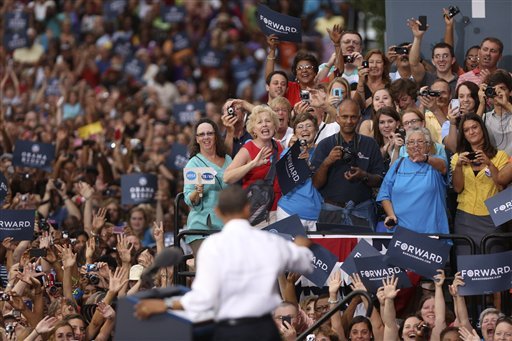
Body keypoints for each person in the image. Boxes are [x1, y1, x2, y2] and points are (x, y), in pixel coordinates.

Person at [134, 185, 314, 341]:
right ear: (247, 209)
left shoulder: (212, 246)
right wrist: (301, 247)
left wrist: (165, 305)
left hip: (230, 331)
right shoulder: (269, 241)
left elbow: (203, 298)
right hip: (265, 329)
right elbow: (306, 263)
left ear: (218, 212)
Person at [311, 99, 385, 228]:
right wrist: (327, 162)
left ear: (360, 118)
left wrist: (364, 175)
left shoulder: (370, 144)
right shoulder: (325, 144)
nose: (349, 121)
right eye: (345, 117)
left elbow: (379, 180)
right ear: (337, 118)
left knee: (363, 249)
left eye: (353, 117)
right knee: (330, 249)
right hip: (331, 211)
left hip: (362, 211)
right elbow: (316, 184)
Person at [451, 114, 509, 254]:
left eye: (474, 127)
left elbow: (501, 186)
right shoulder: (457, 158)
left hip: (493, 217)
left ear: (482, 129)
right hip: (465, 217)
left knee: (493, 262)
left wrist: (489, 163)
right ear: (463, 135)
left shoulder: (500, 156)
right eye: (466, 130)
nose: (471, 132)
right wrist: (458, 166)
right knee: (467, 264)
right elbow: (458, 188)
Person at [377, 127, 448, 234]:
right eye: (411, 142)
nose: (415, 145)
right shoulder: (398, 164)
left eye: (420, 141)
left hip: (431, 232)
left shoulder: (435, 162)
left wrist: (425, 158)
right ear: (406, 147)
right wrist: (391, 215)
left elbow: (443, 167)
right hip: (401, 232)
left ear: (428, 146)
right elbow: (384, 194)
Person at [224, 105, 283, 227]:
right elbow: (227, 177)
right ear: (254, 130)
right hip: (257, 213)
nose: (264, 125)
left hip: (280, 212)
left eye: (268, 121)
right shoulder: (247, 149)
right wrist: (253, 164)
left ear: (275, 126)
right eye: (259, 122)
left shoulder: (279, 146)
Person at [183, 118, 232, 256]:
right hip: (202, 225)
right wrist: (198, 192)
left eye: (209, 133)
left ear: (216, 136)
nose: (206, 137)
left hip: (227, 223)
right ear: (197, 139)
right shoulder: (193, 164)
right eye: (201, 134)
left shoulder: (228, 160)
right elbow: (189, 199)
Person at [277, 112, 323, 231]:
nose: (304, 130)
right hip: (289, 211)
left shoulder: (322, 153)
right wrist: (297, 154)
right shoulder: (287, 153)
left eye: (308, 125)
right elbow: (286, 182)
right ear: (295, 132)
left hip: (316, 214)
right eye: (300, 127)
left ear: (316, 130)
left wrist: (310, 163)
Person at [408, 15, 459, 93]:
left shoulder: (460, 81)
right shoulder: (426, 78)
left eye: (445, 56)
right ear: (433, 61)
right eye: (437, 56)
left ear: (453, 60)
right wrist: (417, 37)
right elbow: (414, 64)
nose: (441, 60)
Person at [442, 81, 481, 153]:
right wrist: (453, 123)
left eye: (469, 96)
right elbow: (454, 148)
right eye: (461, 96)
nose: (465, 100)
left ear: (476, 97)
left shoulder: (485, 117)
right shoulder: (448, 124)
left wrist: (468, 117)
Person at [480, 70, 512, 156]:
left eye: (502, 88)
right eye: (494, 89)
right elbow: (470, 132)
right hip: (490, 164)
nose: (498, 93)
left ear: (510, 92)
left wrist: (506, 104)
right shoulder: (484, 117)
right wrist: (482, 103)